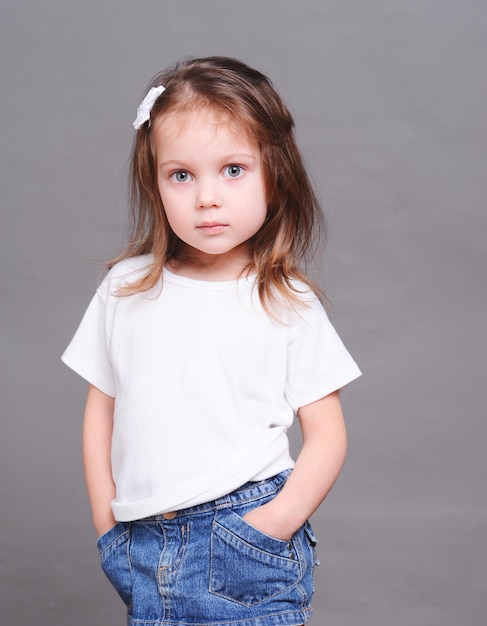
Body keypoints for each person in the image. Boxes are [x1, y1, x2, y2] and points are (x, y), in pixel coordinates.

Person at [62, 56, 361, 626]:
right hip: (140, 542)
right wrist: (106, 523)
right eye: (181, 175)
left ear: (275, 172)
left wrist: (271, 526)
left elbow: (327, 433)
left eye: (232, 170)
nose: (207, 197)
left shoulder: (287, 299)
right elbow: (103, 407)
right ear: (154, 183)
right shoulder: (125, 288)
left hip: (244, 538)